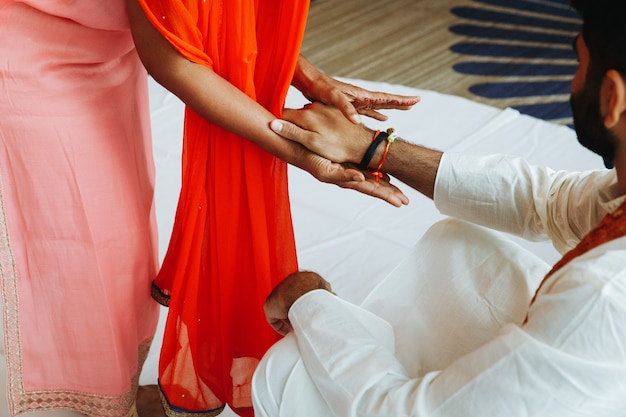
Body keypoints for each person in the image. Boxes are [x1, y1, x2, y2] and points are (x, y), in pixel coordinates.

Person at [252, 0, 626, 415]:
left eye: (578, 62)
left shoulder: (602, 294)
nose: (572, 81)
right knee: (459, 248)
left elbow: (401, 411)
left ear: (612, 97)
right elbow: (550, 202)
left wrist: (309, 301)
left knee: (288, 371)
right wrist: (372, 148)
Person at [125, 1, 418, 416]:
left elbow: (225, 14)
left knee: (125, 257)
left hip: (122, 65)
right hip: (53, 68)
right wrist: (297, 149)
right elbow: (174, 59)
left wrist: (307, 76)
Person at [0, 1, 161, 416]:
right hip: (25, 62)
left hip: (120, 50)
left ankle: (111, 394)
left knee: (120, 240)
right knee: (53, 249)